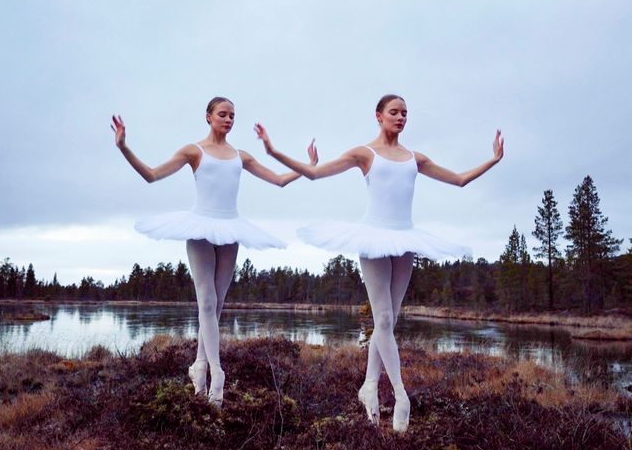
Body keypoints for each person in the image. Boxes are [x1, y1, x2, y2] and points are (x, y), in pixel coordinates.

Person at [255, 94, 504, 432]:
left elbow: (458, 180)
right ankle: (401, 395)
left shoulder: (415, 157)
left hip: (405, 241)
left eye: (405, 113)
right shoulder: (364, 153)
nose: (401, 118)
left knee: (389, 322)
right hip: (373, 238)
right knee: (383, 317)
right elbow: (315, 174)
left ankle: (369, 385)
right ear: (379, 116)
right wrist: (273, 152)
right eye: (394, 112)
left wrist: (493, 159)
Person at [111, 96, 314, 408]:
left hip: (230, 228)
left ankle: (198, 364)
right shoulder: (194, 151)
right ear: (208, 116)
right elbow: (150, 175)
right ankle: (215, 372)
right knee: (206, 299)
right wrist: (123, 146)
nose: (229, 119)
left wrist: (308, 167)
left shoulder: (240, 156)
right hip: (200, 228)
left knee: (217, 304)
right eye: (223, 114)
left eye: (233, 115)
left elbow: (279, 181)